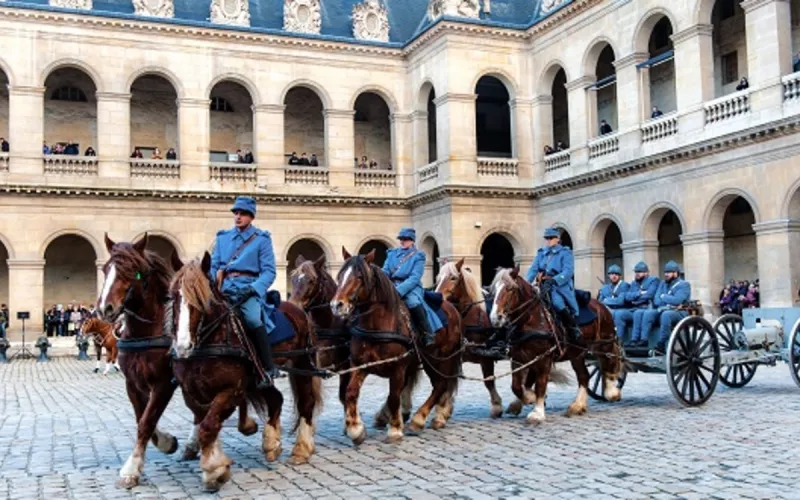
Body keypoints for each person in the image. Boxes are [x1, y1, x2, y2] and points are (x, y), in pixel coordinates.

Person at [210, 196, 279, 388]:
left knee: (253, 319)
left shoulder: (261, 240)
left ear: (251, 217)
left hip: (248, 288)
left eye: (243, 214)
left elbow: (269, 271)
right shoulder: (222, 238)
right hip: (224, 288)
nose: (238, 217)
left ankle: (267, 368)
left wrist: (253, 289)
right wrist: (214, 278)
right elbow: (213, 265)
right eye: (236, 213)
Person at [382, 228, 441, 347]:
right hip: (391, 284)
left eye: (406, 239)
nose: (403, 241)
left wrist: (399, 291)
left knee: (412, 302)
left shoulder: (418, 256)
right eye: (401, 239)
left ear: (412, 241)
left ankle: (427, 333)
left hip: (411, 287)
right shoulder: (392, 254)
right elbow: (385, 270)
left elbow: (415, 277)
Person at [525, 228, 581, 343]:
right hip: (542, 284)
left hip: (559, 286)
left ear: (558, 239)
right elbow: (533, 269)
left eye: (551, 238)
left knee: (557, 303)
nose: (548, 240)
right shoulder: (541, 253)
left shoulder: (565, 253)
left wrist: (554, 280)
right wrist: (526, 283)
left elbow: (568, 272)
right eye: (546, 238)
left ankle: (573, 328)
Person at [640, 261, 691, 355]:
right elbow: (656, 300)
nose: (666, 275)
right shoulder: (662, 283)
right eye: (665, 272)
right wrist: (667, 300)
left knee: (666, 315)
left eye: (669, 272)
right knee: (648, 313)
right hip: (663, 309)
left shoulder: (684, 285)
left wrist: (663, 296)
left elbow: (678, 300)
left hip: (680, 312)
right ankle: (644, 341)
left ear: (675, 273)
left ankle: (662, 344)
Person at [622, 261, 660, 348]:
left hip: (648, 307)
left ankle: (643, 339)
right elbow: (627, 296)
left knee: (639, 313)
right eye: (636, 272)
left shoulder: (653, 280)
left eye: (639, 272)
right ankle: (633, 340)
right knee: (635, 313)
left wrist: (635, 301)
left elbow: (650, 295)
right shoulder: (634, 283)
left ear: (646, 273)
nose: (637, 274)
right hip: (637, 308)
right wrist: (639, 293)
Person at [598, 265, 630, 338]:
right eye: (612, 274)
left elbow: (620, 301)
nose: (614, 276)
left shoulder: (625, 286)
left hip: (622, 310)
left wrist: (606, 300)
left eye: (616, 274)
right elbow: (600, 302)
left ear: (619, 276)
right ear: (609, 275)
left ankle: (619, 339)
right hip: (608, 310)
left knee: (617, 314)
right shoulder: (605, 288)